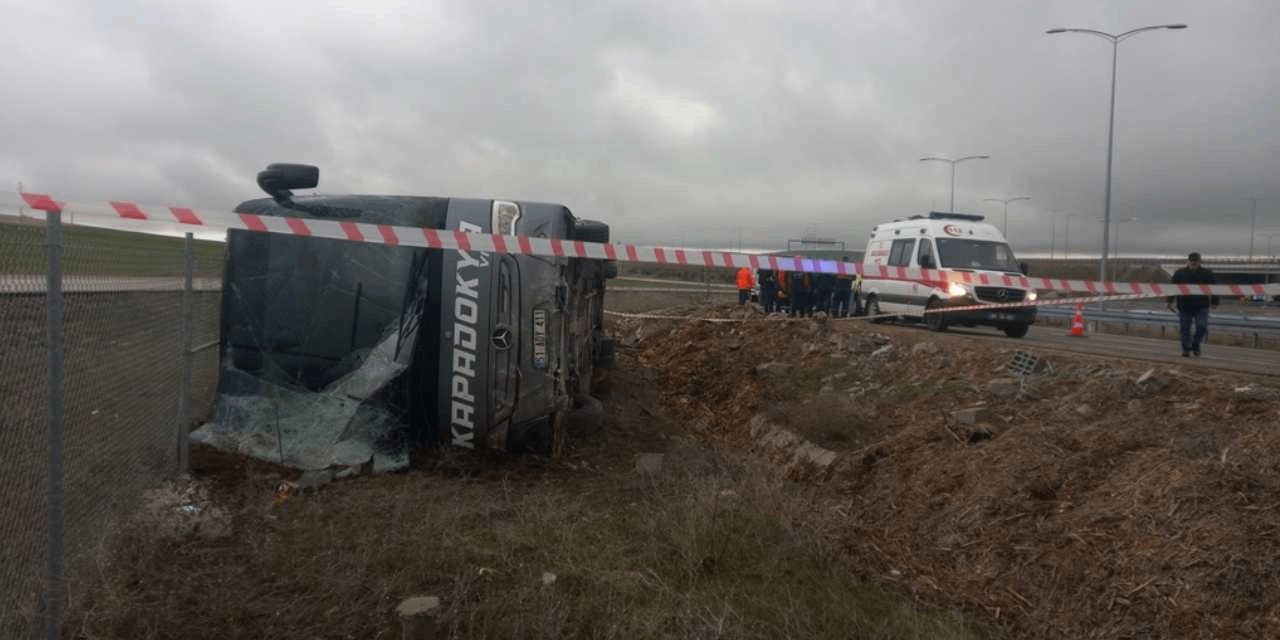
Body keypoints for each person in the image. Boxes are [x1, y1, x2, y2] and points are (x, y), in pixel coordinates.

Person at [1167, 252, 1219, 357]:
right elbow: (1173, 288)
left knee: (1202, 326)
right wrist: (1169, 301)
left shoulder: (1207, 273)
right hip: (1185, 306)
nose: (1193, 263)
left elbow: (1214, 288)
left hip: (1202, 306)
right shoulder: (1179, 273)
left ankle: (1196, 344)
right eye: (1192, 261)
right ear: (1188, 261)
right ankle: (1185, 349)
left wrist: (1214, 302)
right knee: (1184, 329)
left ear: (1200, 261)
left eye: (1196, 261)